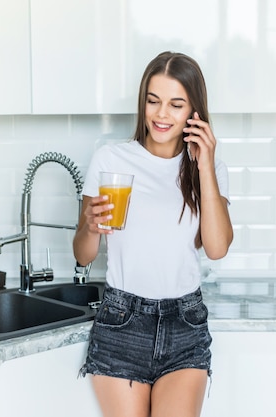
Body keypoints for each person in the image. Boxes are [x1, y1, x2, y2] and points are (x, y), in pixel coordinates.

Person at [73, 51, 233, 417]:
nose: (161, 115)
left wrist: (204, 163)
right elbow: (83, 255)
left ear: (194, 111)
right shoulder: (110, 160)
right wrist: (89, 225)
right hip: (121, 322)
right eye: (153, 101)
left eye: (176, 105)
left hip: (185, 323)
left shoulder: (211, 169)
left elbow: (218, 247)